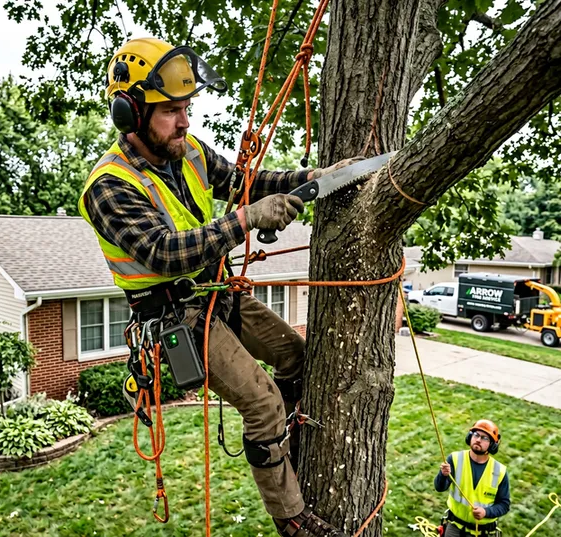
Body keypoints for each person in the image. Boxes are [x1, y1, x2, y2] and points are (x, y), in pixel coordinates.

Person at [79, 37, 360, 536]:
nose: (184, 122)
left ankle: (283, 445)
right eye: (170, 111)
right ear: (130, 112)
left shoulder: (188, 152)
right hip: (171, 315)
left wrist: (311, 178)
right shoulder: (108, 185)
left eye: (186, 108)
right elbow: (165, 252)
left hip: (216, 295)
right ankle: (290, 517)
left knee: (296, 354)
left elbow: (244, 180)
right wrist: (246, 220)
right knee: (261, 400)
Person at [434, 420, 511, 536]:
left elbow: (504, 505)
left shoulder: (499, 471)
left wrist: (486, 512)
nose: (478, 440)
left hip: (482, 532)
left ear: (492, 445)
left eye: (485, 438)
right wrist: (443, 475)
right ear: (469, 437)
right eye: (476, 435)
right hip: (454, 526)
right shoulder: (455, 459)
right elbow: (439, 487)